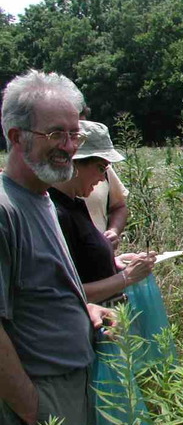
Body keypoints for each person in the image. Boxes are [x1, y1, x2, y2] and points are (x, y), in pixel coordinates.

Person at [0, 70, 115, 425]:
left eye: (74, 134)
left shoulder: (43, 198)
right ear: (17, 137)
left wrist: (85, 310)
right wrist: (32, 408)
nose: (69, 147)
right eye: (56, 135)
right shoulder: (5, 210)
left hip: (72, 382)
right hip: (39, 393)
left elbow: (39, 289)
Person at [49, 121, 155, 304]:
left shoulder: (75, 205)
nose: (102, 178)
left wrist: (113, 262)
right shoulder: (56, 213)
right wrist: (127, 277)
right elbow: (66, 293)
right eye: (100, 168)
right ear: (75, 163)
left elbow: (84, 265)